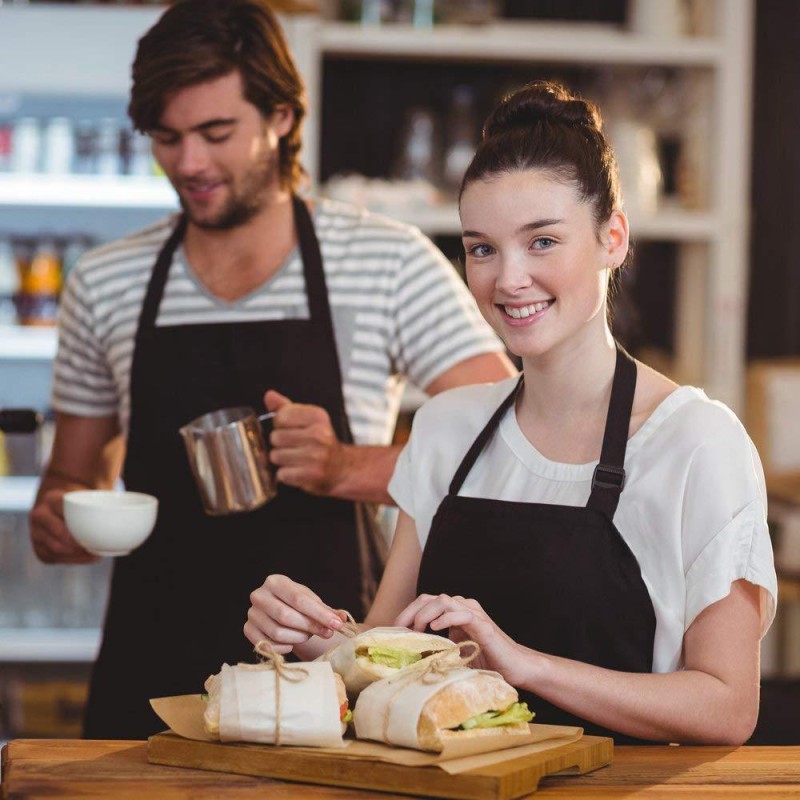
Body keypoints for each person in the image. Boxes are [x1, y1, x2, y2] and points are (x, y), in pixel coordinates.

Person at [29, 0, 514, 740]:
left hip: (333, 673)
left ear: (283, 116)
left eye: (216, 133)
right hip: (151, 670)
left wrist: (345, 464)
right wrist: (61, 520)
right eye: (167, 137)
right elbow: (71, 478)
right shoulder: (106, 281)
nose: (188, 163)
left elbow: (502, 451)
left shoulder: (386, 262)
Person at [245, 81, 778, 746]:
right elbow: (379, 662)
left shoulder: (697, 444)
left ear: (613, 237)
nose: (509, 279)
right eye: (482, 248)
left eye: (543, 242)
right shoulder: (448, 429)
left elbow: (727, 707)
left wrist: (527, 667)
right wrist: (313, 635)